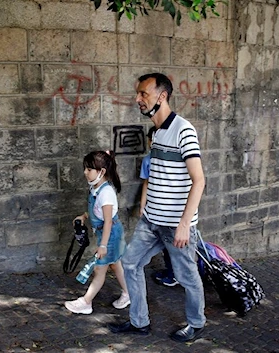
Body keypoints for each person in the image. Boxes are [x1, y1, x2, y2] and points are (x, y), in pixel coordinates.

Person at [108, 73, 207, 342]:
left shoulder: (183, 130)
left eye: (143, 94)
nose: (137, 99)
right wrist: (146, 207)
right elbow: (157, 176)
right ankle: (139, 322)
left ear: (161, 96)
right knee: (130, 264)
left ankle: (196, 323)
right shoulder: (158, 132)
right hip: (151, 221)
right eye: (138, 94)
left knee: (187, 277)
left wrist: (185, 224)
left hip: (177, 224)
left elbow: (199, 181)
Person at [64, 150, 130, 314]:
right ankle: (128, 293)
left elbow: (108, 220)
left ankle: (86, 302)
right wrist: (84, 216)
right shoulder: (96, 187)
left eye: (89, 169)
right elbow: (97, 210)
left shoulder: (106, 193)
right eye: (85, 168)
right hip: (107, 233)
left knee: (100, 268)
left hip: (110, 234)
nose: (85, 172)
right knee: (115, 265)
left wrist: (103, 245)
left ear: (101, 172)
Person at [141, 126, 177, 287]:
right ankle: (173, 273)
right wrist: (143, 206)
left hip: (172, 211)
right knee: (167, 245)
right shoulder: (148, 161)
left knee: (172, 246)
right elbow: (146, 184)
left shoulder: (176, 159)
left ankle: (174, 275)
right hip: (157, 211)